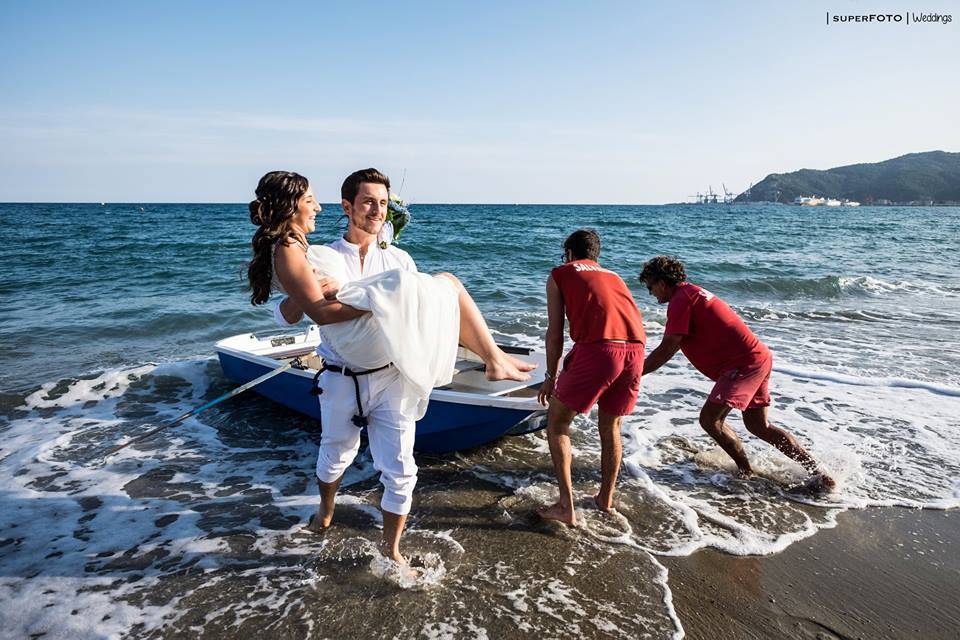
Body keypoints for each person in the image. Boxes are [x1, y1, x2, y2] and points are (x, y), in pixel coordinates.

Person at [247, 169, 533, 564]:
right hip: (340, 376)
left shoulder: (399, 260)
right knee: (335, 453)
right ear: (347, 207)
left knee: (400, 468)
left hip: (390, 374)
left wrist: (388, 301)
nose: (376, 211)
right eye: (367, 202)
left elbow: (419, 315)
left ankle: (392, 550)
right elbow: (295, 310)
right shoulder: (322, 254)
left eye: (383, 203)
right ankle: (326, 512)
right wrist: (324, 298)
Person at [638, 255, 835, 490]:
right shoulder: (692, 293)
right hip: (757, 357)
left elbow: (667, 348)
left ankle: (745, 471)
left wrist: (634, 374)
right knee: (759, 427)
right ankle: (819, 474)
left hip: (743, 365)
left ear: (661, 282)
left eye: (650, 287)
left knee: (710, 420)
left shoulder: (681, 300)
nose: (651, 293)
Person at [536, 229, 646, 525]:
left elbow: (554, 334)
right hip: (635, 350)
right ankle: (605, 499)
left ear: (569, 253)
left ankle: (565, 507)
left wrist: (550, 376)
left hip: (602, 351)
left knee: (558, 422)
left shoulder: (560, 273)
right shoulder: (614, 276)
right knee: (611, 426)